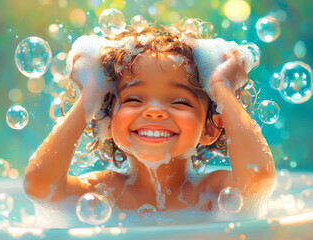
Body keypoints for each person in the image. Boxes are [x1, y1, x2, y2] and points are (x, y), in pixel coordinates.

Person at [23, 20, 276, 214]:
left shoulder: (210, 192)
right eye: (133, 100)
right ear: (108, 121)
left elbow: (259, 177)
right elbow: (39, 185)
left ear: (211, 129)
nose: (154, 111)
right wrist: (89, 98)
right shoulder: (105, 192)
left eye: (179, 101)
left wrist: (221, 87)